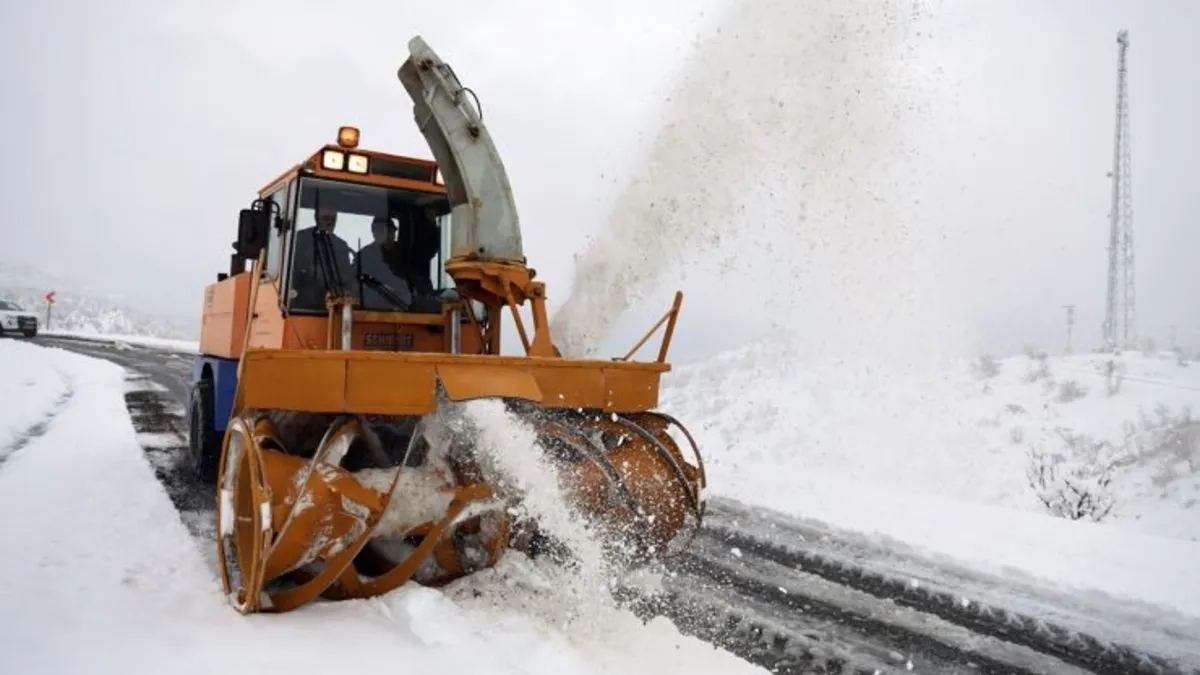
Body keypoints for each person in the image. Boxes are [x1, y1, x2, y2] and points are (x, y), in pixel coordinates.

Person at [290, 208, 355, 310]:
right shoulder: (300, 239)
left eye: (333, 219)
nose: (329, 222)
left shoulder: (341, 246)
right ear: (316, 218)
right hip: (300, 306)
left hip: (333, 306)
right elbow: (289, 271)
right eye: (325, 218)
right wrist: (310, 271)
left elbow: (346, 277)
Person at [356, 217, 413, 310]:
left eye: (392, 232)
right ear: (374, 233)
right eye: (385, 232)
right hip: (370, 311)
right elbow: (354, 284)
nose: (390, 236)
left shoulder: (404, 255)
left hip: (402, 308)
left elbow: (412, 281)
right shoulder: (363, 256)